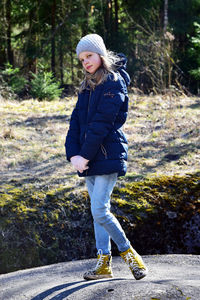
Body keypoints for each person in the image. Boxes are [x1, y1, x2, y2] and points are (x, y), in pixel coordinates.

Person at [65, 33, 148, 281]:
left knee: (100, 211)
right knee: (97, 211)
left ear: (100, 54)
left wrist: (85, 155)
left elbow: (102, 123)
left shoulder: (114, 82)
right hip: (88, 158)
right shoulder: (86, 86)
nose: (86, 62)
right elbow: (75, 124)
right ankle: (103, 263)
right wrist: (73, 155)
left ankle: (129, 253)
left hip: (107, 155)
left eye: (89, 56)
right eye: (81, 59)